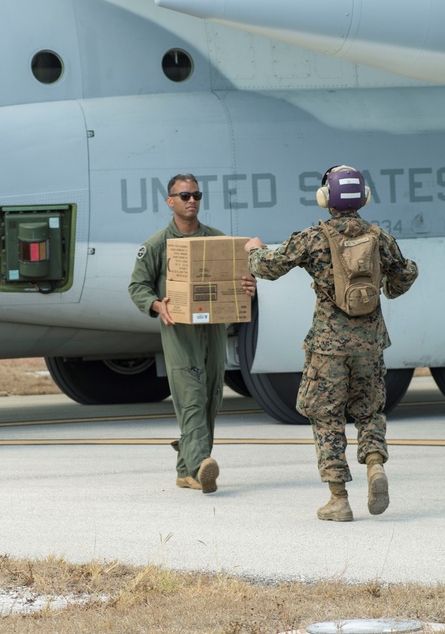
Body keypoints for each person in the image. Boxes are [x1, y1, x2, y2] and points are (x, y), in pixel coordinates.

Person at [245, 165, 418, 521]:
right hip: (370, 343)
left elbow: (268, 268)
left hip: (328, 346)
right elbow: (402, 278)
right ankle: (374, 465)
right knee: (369, 411)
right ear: (363, 198)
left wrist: (253, 250)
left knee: (326, 416)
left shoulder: (313, 237)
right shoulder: (379, 237)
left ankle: (338, 499)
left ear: (326, 198)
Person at [129, 174, 257, 494]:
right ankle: (202, 465)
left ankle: (186, 470)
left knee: (212, 395)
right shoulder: (158, 245)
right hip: (179, 332)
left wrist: (247, 287)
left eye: (196, 195)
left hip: (212, 330)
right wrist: (157, 305)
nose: (192, 201)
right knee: (191, 398)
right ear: (170, 201)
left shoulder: (217, 242)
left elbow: (236, 280)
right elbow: (137, 287)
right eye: (184, 196)